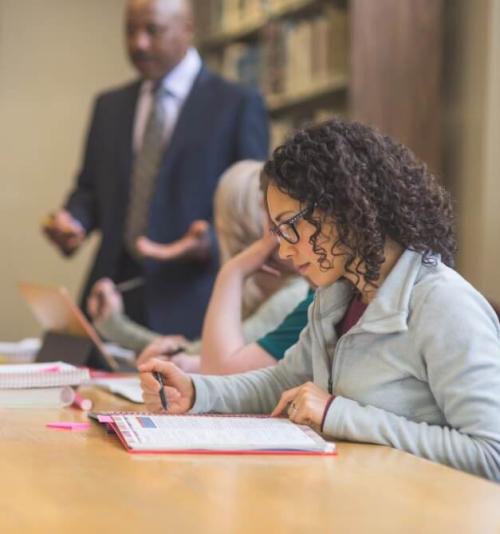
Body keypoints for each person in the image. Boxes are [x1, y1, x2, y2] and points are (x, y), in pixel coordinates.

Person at [139, 118, 500, 481]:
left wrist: (338, 415)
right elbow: (278, 382)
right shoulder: (338, 296)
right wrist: (198, 392)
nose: (282, 248)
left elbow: (491, 455)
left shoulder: (444, 305)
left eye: (289, 226)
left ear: (343, 207)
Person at [42, 0, 269, 339]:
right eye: (130, 31)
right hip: (108, 296)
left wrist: (209, 240)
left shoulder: (236, 104)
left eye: (153, 30)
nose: (139, 43)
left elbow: (254, 204)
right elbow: (89, 188)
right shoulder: (109, 106)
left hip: (191, 301)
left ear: (187, 29)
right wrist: (74, 220)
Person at [87, 160, 310, 372]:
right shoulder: (271, 292)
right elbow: (200, 354)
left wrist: (117, 327)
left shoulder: (295, 294)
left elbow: (211, 361)